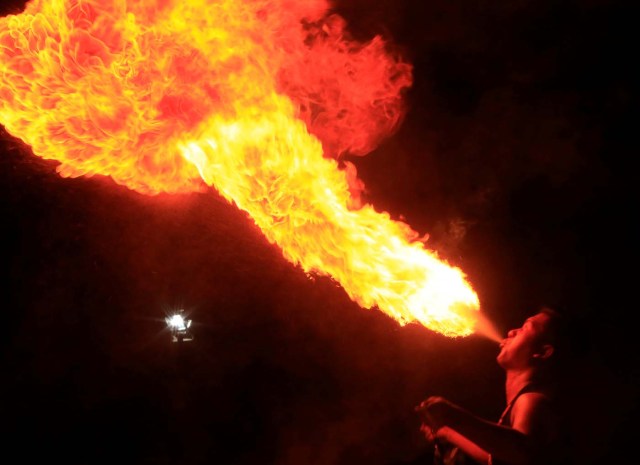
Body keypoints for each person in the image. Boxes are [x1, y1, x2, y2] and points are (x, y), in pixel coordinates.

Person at [415, 306, 579, 465]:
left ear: (542, 352)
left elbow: (521, 451)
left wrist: (455, 417)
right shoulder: (520, 403)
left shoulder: (532, 400)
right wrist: (447, 431)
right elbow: (494, 457)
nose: (511, 332)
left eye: (524, 328)